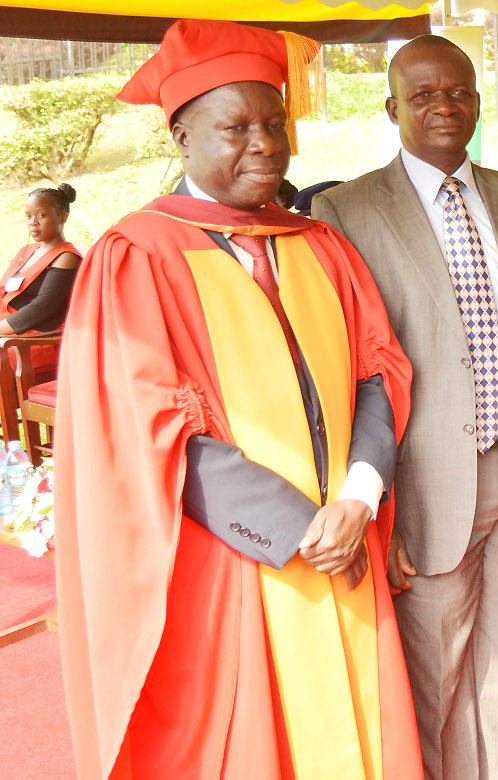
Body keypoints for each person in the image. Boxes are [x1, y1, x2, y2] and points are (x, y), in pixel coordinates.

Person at [54, 19, 421, 779]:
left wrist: (358, 496)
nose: (263, 143)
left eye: (274, 123)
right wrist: (301, 529)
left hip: (347, 535)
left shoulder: (318, 244)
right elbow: (151, 428)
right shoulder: (137, 256)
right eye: (235, 127)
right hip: (234, 559)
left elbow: (377, 370)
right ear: (182, 137)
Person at [312, 35, 498, 780]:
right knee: (435, 676)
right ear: (392, 107)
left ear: (476, 97)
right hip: (427, 485)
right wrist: (379, 503)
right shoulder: (343, 210)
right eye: (425, 95)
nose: (445, 106)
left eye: (459, 91)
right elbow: (344, 373)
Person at [2, 184, 82, 341]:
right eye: (28, 216)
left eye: (41, 215)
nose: (33, 222)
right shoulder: (26, 251)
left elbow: (43, 307)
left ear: (63, 217)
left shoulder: (66, 257)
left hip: (26, 339)